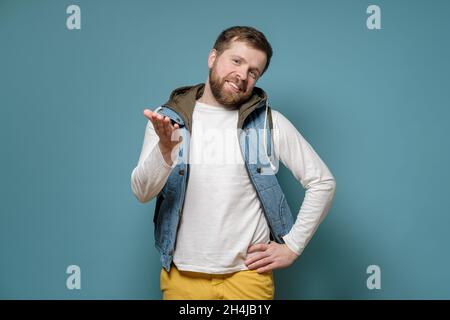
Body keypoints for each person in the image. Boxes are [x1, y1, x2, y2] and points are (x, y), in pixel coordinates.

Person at [131, 26, 336, 300]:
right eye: (236, 61)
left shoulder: (269, 124)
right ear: (213, 58)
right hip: (182, 277)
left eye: (254, 71)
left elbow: (322, 182)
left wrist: (292, 246)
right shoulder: (169, 120)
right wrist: (164, 152)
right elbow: (142, 192)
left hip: (248, 278)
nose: (242, 76)